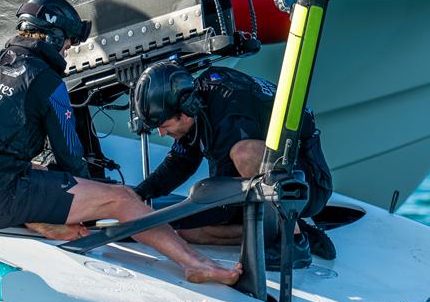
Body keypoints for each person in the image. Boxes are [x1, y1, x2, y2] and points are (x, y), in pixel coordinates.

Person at [0, 0, 240, 286]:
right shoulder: (46, 79)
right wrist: (95, 202)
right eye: (67, 46)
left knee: (32, 172)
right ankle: (196, 265)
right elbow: (70, 156)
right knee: (120, 197)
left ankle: (41, 221)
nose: (66, 54)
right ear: (55, 39)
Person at [132, 62, 336, 268]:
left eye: (163, 126)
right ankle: (295, 229)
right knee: (186, 232)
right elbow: (180, 163)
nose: (161, 133)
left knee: (244, 153)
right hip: (266, 185)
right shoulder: (195, 104)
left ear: (184, 112)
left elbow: (224, 205)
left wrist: (163, 219)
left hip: (306, 185)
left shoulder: (230, 115)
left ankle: (294, 241)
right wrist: (138, 195)